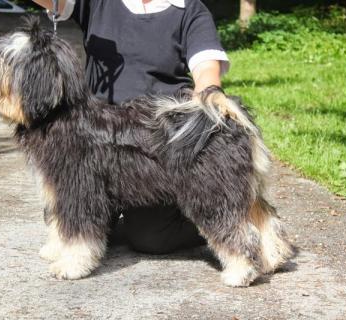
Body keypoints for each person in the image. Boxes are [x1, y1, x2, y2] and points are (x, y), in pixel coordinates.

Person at [32, 0, 230, 254]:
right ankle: (105, 220)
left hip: (154, 144)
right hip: (96, 138)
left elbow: (206, 68)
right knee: (64, 213)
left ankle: (210, 218)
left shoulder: (190, 10)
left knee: (152, 238)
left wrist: (206, 95)